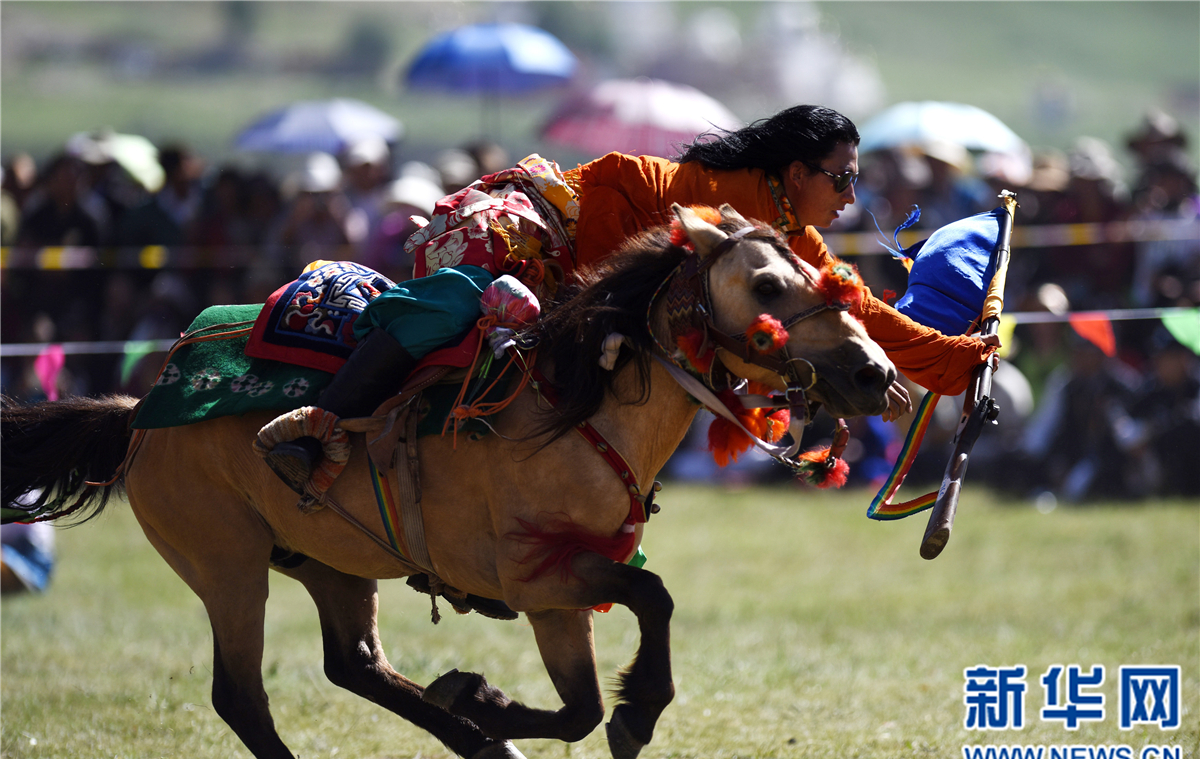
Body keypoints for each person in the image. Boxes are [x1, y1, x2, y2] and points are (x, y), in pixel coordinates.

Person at [263, 105, 996, 493]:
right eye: (841, 179)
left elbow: (856, 313)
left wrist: (964, 361)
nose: (851, 195)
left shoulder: (783, 235)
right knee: (460, 306)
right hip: (524, 231)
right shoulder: (718, 209)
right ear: (796, 172)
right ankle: (315, 430)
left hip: (573, 286)